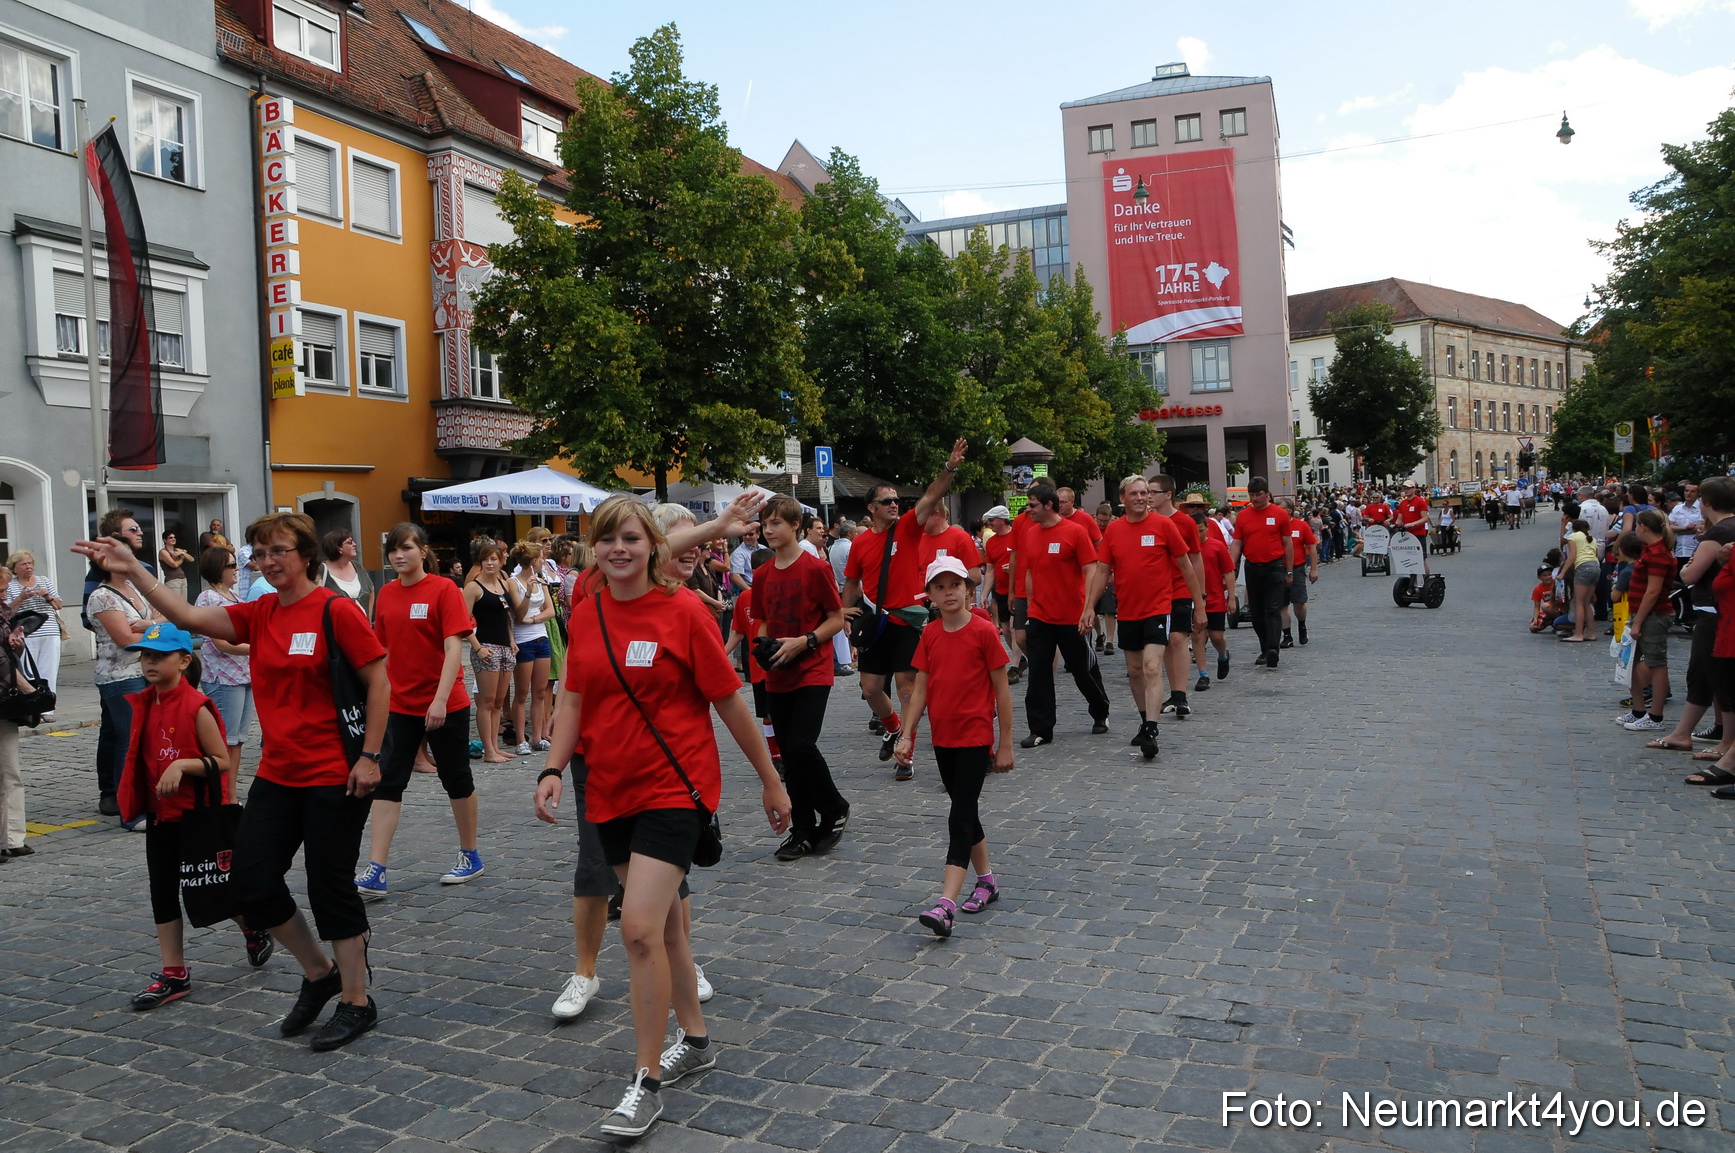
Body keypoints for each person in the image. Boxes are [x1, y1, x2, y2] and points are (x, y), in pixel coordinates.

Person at [74, 512, 391, 1052]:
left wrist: (370, 757)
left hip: (334, 773)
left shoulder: (336, 610)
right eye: (260, 554)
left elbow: (380, 681)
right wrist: (133, 571)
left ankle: (357, 1001)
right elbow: (190, 617)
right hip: (278, 773)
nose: (268, 562)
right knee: (248, 880)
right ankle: (320, 972)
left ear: (307, 554)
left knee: (329, 885)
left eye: (279, 551)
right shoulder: (262, 610)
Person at [533, 495, 791, 1139]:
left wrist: (770, 780)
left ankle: (644, 1080)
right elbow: (573, 697)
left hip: (676, 788)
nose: (619, 549)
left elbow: (729, 702)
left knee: (640, 930)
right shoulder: (587, 612)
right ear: (594, 550)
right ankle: (696, 1041)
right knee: (670, 929)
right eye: (607, 540)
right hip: (611, 791)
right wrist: (551, 769)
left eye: (631, 538)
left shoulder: (682, 612)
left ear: (653, 546)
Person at [117, 623, 274, 1010]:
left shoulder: (195, 706)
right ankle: (174, 973)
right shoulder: (145, 701)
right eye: (146, 656)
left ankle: (252, 926)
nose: (150, 662)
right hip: (161, 815)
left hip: (197, 815)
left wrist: (184, 765)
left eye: (160, 655)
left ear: (185, 661)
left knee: (209, 892)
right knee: (162, 891)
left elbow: (221, 761)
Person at [355, 522, 483, 899]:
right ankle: (376, 867)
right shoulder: (388, 594)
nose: (399, 555)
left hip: (446, 702)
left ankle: (470, 854)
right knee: (389, 781)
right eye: (393, 550)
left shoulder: (445, 589)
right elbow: (381, 650)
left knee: (456, 778)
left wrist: (440, 699)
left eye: (407, 548)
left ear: (423, 551)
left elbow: (453, 648)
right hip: (400, 704)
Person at [894, 557, 1013, 937]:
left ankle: (945, 903)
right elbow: (920, 690)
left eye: (955, 585)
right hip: (942, 738)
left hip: (976, 737)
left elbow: (1003, 692)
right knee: (966, 810)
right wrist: (907, 734)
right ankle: (988, 881)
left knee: (959, 814)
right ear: (930, 595)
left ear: (968, 589)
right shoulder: (929, 634)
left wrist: (1005, 744)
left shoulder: (983, 631)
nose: (948, 592)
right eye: (940, 587)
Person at [843, 439, 968, 774]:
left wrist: (950, 467)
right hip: (876, 623)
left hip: (908, 623)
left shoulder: (910, 527)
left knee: (906, 686)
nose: (894, 505)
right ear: (871, 508)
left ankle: (906, 750)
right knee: (870, 689)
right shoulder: (860, 544)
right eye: (887, 501)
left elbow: (931, 495)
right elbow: (852, 582)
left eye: (896, 500)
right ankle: (894, 726)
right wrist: (844, 614)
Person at [749, 496, 848, 860]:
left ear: (795, 526)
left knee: (802, 745)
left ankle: (835, 807)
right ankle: (802, 830)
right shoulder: (761, 574)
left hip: (813, 668)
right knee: (789, 754)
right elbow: (761, 620)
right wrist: (764, 646)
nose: (769, 530)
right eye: (765, 524)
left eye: (776, 523)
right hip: (778, 673)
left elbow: (836, 619)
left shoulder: (815, 568)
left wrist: (804, 641)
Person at [1085, 475, 1190, 757]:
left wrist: (1199, 603)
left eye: (1144, 493)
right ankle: (1145, 720)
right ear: (1123, 498)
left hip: (1158, 608)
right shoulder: (1115, 531)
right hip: (1128, 610)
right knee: (1134, 670)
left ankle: (1152, 729)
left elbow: (1185, 564)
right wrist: (1088, 607)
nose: (1141, 498)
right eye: (1135, 494)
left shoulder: (1164, 525)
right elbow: (1103, 571)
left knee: (1151, 667)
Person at [1018, 482, 1111, 747]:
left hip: (1072, 617)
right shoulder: (1030, 534)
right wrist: (1029, 605)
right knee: (1038, 673)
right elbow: (1030, 572)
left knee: (1084, 670)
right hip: (1040, 616)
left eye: (1033, 505)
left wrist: (1088, 608)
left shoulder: (1075, 532)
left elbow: (1090, 569)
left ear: (1048, 505)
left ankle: (1100, 711)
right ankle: (1040, 729)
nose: (1029, 510)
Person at [89, 510, 158, 820]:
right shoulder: (102, 595)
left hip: (144, 671)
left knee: (141, 739)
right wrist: (149, 625)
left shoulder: (137, 588)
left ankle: (140, 799)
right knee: (127, 742)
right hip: (119, 676)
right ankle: (127, 807)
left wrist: (142, 624)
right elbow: (124, 639)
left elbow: (168, 618)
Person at [1145, 476, 1204, 718]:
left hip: (1180, 588)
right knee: (1166, 641)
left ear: (1168, 494)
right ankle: (1172, 690)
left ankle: (1180, 695)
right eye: (1147, 492)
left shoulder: (1184, 522)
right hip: (1156, 590)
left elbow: (1196, 559)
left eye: (1153, 492)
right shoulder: (1147, 521)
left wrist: (1200, 594)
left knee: (1178, 638)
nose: (1148, 496)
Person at [193, 548, 253, 776]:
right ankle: (218, 796)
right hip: (224, 679)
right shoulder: (209, 597)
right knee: (223, 742)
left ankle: (230, 796)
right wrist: (260, 648)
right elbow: (222, 643)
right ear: (218, 569)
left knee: (237, 741)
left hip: (244, 675)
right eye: (231, 565)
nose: (237, 568)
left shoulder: (235, 596)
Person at [1618, 510, 1676, 732]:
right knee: (1631, 661)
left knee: (1656, 663)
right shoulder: (1649, 551)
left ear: (1643, 526)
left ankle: (1656, 716)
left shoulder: (1658, 554)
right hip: (1642, 613)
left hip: (1654, 614)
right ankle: (1639, 710)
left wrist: (1638, 622)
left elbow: (1653, 591)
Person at [464, 542, 520, 765]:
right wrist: (478, 647)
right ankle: (488, 749)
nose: (489, 563)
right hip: (486, 646)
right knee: (486, 702)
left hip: (505, 647)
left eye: (493, 559)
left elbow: (507, 617)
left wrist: (513, 640)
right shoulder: (473, 587)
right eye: (485, 559)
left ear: (500, 561)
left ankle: (495, 747)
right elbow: (463, 621)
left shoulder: (503, 583)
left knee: (498, 702)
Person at [1229, 478, 1293, 670]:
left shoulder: (1279, 514)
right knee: (1256, 613)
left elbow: (1287, 543)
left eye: (1258, 495)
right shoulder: (1243, 516)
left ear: (1267, 494)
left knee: (1273, 609)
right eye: (1252, 495)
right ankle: (1265, 648)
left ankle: (1273, 649)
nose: (1255, 499)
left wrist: (1289, 570)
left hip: (1274, 567)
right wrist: (1230, 566)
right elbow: (1237, 543)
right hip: (1253, 567)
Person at [508, 542, 556, 757]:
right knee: (522, 692)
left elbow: (551, 611)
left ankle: (537, 737)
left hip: (540, 637)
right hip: (523, 640)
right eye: (541, 560)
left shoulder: (542, 581)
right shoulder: (513, 582)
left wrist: (535, 618)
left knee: (539, 691)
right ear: (535, 561)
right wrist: (527, 594)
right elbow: (519, 614)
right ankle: (521, 739)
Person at [4, 550, 63, 704]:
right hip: (25, 633)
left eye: (30, 563)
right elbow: (6, 612)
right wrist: (20, 598)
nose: (28, 567)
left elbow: (58, 605)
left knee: (49, 671)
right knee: (28, 671)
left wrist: (47, 597)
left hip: (49, 631)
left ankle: (48, 707)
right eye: (24, 564)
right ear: (14, 567)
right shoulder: (9, 586)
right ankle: (33, 705)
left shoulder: (44, 580)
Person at [1191, 506, 1237, 690]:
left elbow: (1228, 573)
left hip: (1215, 597)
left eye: (1201, 531)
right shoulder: (1185, 549)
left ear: (1206, 528)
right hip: (1194, 599)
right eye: (1194, 532)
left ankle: (1223, 655)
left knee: (1216, 636)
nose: (1198, 536)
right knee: (1197, 636)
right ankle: (1203, 674)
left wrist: (1231, 598)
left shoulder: (1217, 546)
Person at [981, 506, 1019, 680]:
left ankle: (1015, 665)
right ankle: (1020, 658)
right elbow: (989, 570)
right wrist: (984, 594)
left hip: (1018, 590)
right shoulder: (991, 542)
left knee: (1013, 626)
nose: (989, 524)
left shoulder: (1016, 537)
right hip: (1001, 590)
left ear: (1001, 520)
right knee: (1005, 629)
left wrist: (1014, 569)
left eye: (992, 521)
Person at [1280, 501, 1320, 648]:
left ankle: (1302, 626)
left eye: (1282, 508)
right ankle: (1287, 635)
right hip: (1279, 568)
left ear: (1289, 510)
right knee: (1282, 604)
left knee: (1299, 602)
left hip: (1297, 568)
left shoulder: (1301, 525)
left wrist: (1314, 569)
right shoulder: (1275, 526)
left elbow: (1312, 546)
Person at [1560, 519, 1601, 644]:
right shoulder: (1592, 539)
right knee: (1587, 602)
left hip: (1583, 568)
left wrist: (1562, 573)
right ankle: (1591, 632)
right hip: (1596, 567)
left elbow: (1572, 556)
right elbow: (1597, 556)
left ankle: (1578, 634)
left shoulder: (1573, 536)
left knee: (1579, 602)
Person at [320, 530, 375, 620]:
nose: (354, 544)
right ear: (339, 548)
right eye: (349, 542)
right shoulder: (322, 571)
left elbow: (371, 589)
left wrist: (368, 616)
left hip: (362, 629)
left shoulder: (357, 567)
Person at [1091, 502, 1118, 655]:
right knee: (1093, 608)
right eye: (1100, 520)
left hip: (1109, 572)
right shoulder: (1092, 529)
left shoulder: (1113, 530)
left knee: (1109, 608)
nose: (1102, 523)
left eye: (1105, 521)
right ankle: (1099, 634)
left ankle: (1110, 640)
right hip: (1094, 571)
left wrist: (1112, 572)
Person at [157, 533, 197, 601]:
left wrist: (183, 553)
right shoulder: (163, 552)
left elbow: (192, 559)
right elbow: (174, 564)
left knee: (184, 603)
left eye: (174, 537)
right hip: (173, 581)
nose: (173, 539)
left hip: (183, 579)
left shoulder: (177, 550)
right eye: (170, 538)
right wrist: (181, 558)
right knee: (176, 603)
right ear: (165, 540)